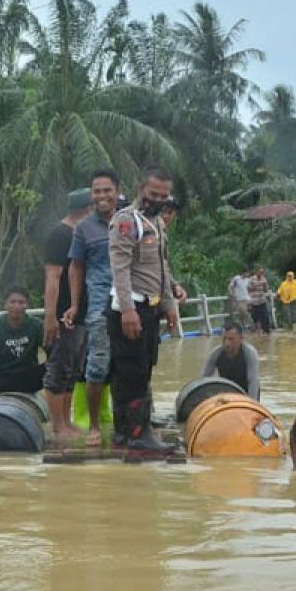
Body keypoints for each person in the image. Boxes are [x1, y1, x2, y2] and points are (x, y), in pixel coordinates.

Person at [107, 164, 179, 452]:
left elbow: (162, 268)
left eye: (164, 196)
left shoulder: (158, 224)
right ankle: (138, 434)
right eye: (153, 194)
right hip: (130, 309)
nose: (158, 200)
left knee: (140, 370)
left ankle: (126, 433)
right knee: (132, 374)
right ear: (140, 190)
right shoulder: (126, 221)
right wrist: (127, 310)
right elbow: (120, 268)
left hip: (150, 309)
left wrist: (170, 305)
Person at [64, 169, 120, 446]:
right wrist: (74, 305)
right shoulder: (83, 228)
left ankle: (131, 422)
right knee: (96, 365)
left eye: (106, 190)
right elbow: (76, 268)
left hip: (132, 303)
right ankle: (95, 426)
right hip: (99, 304)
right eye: (96, 191)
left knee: (134, 364)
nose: (102, 196)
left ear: (117, 191)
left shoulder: (130, 221)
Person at [41, 187, 93, 441]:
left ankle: (67, 421)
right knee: (58, 370)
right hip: (63, 315)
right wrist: (50, 317)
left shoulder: (79, 234)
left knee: (72, 370)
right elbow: (52, 278)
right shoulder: (60, 235)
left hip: (81, 315)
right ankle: (58, 425)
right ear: (87, 210)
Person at [201, 320, 260, 400]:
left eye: (231, 339)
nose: (227, 343)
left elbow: (253, 382)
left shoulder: (250, 354)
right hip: (226, 394)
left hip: (247, 393)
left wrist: (252, 403)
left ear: (241, 338)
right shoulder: (216, 354)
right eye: (224, 338)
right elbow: (203, 380)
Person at [247, 266, 272, 334]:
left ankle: (266, 331)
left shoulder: (264, 279)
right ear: (257, 272)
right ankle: (255, 332)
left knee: (266, 316)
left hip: (262, 300)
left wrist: (267, 291)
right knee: (254, 318)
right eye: (260, 272)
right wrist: (254, 287)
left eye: (262, 272)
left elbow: (266, 289)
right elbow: (248, 289)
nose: (261, 273)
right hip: (254, 301)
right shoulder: (251, 279)